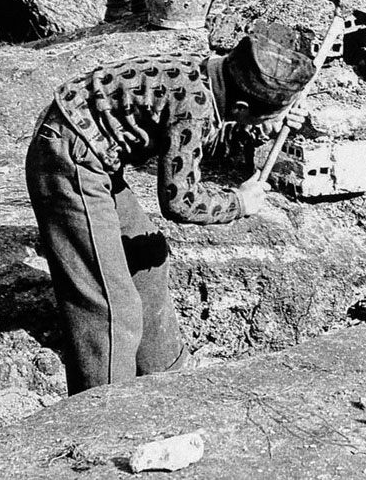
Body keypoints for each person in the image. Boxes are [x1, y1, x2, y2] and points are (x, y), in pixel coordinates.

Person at [24, 23, 314, 394]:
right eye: (260, 117)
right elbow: (180, 201)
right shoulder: (193, 106)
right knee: (112, 308)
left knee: (148, 257)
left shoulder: (211, 74)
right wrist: (238, 202)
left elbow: (206, 137)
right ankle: (103, 418)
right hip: (68, 155)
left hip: (93, 152)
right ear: (241, 106)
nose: (263, 123)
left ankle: (168, 388)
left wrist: (265, 127)